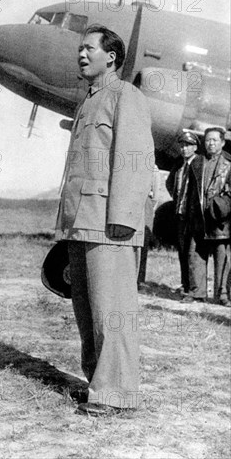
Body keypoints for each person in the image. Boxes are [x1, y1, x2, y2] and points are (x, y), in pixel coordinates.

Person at [55, 24, 154, 415]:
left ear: (110, 57)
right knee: (88, 311)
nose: (81, 54)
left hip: (110, 224)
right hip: (83, 221)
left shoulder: (125, 96)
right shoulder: (88, 102)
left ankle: (116, 394)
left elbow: (134, 159)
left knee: (113, 313)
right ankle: (100, 384)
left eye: (88, 48)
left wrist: (124, 219)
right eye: (79, 48)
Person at [183, 127, 231, 306]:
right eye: (208, 140)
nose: (211, 143)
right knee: (195, 255)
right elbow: (189, 193)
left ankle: (223, 295)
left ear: (223, 142)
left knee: (222, 259)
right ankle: (197, 292)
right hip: (199, 218)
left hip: (221, 220)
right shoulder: (196, 162)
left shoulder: (229, 163)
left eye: (215, 140)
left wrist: (222, 206)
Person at [165, 131, 200, 295]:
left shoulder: (200, 164)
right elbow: (170, 183)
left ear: (195, 147)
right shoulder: (179, 165)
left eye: (188, 145)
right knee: (182, 250)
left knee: (192, 253)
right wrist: (177, 198)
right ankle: (185, 285)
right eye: (182, 145)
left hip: (193, 216)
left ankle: (194, 288)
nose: (184, 149)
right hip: (179, 214)